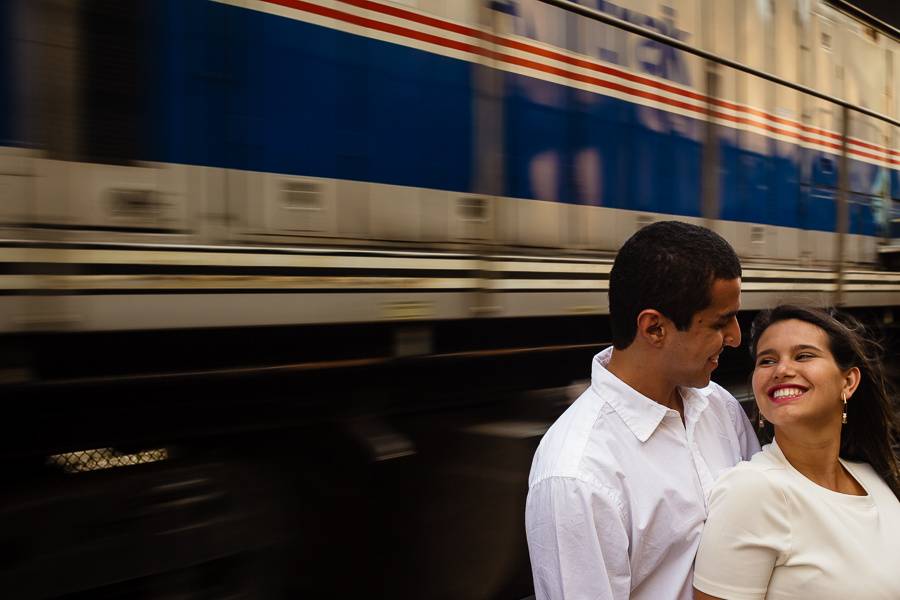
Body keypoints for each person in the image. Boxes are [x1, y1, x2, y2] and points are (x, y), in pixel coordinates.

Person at [525, 220, 760, 600]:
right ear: (654, 329)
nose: (735, 337)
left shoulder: (720, 407)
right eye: (720, 322)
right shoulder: (577, 476)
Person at [694, 305, 900, 600]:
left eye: (803, 355)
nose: (782, 370)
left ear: (849, 382)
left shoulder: (873, 479)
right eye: (767, 360)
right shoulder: (754, 491)